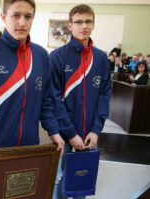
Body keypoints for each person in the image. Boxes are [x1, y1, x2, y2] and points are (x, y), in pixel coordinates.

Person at [0, 0, 64, 187]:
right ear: (4, 17)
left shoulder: (40, 55)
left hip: (29, 148)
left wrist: (53, 129)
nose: (22, 22)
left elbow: (45, 100)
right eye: (16, 15)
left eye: (28, 16)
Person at [48, 4, 111, 199]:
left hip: (89, 132)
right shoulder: (57, 57)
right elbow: (54, 98)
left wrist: (96, 129)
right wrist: (71, 133)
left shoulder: (100, 58)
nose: (84, 26)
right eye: (78, 22)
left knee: (82, 176)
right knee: (59, 177)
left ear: (93, 24)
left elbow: (104, 94)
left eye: (88, 21)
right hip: (63, 132)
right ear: (70, 26)